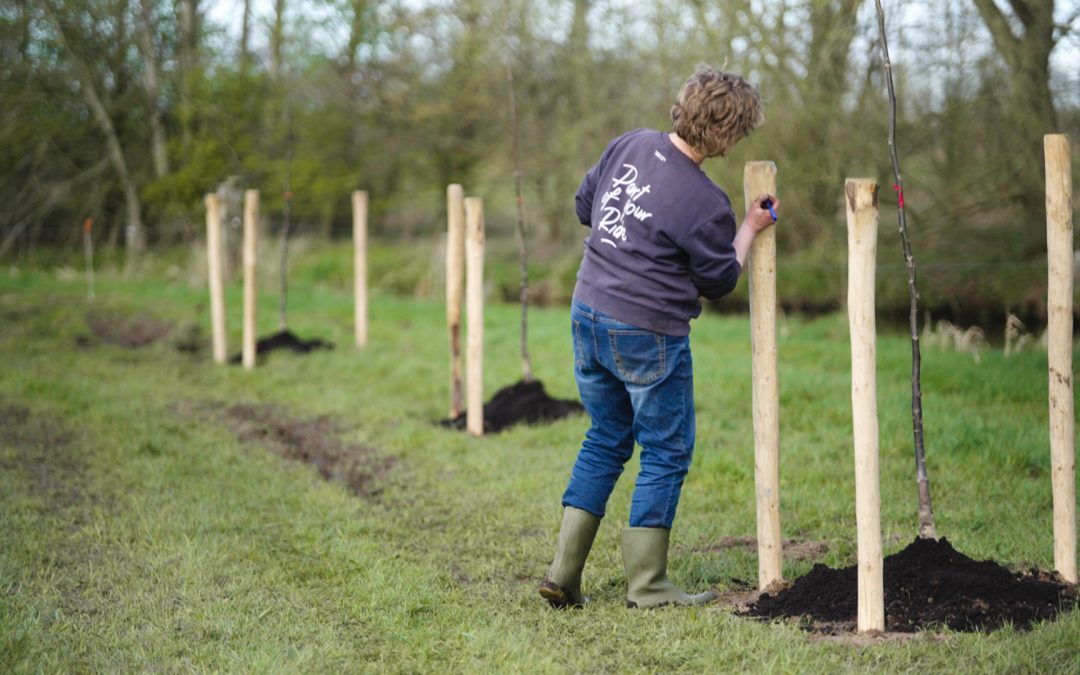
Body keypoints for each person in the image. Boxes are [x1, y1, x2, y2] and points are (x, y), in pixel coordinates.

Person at [539, 66, 779, 609]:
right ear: (726, 135)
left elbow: (585, 208)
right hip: (647, 332)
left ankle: (563, 572)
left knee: (605, 436)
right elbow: (718, 280)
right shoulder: (705, 201)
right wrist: (749, 228)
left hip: (587, 312)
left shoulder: (629, 144)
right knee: (666, 450)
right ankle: (647, 585)